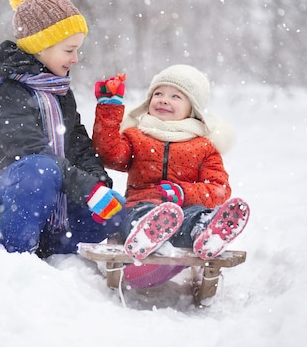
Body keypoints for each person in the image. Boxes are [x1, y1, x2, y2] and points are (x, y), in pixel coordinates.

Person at [0, 0, 126, 258]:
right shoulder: (8, 90)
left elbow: (77, 143)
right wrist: (86, 189)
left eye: (78, 50)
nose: (76, 59)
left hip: (54, 199)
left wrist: (98, 184)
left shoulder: (59, 90)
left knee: (117, 212)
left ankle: (53, 244)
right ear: (40, 47)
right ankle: (17, 252)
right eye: (69, 50)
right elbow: (30, 152)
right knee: (39, 170)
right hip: (6, 198)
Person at [92, 65, 250, 289]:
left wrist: (183, 193)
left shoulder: (204, 146)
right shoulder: (137, 136)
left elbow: (219, 188)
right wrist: (109, 108)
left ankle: (206, 231)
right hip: (141, 205)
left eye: (175, 96)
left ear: (192, 108)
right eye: (158, 94)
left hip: (184, 210)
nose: (164, 100)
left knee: (195, 215)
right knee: (137, 215)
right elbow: (109, 155)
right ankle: (147, 231)